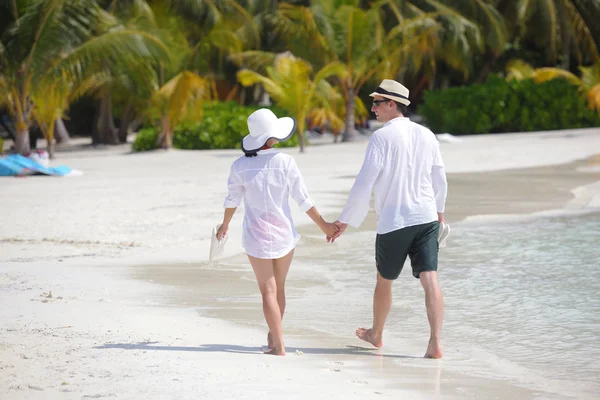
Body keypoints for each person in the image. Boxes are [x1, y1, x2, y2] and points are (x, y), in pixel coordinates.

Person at [329, 79, 448, 359]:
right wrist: (439, 211)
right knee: (430, 280)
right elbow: (439, 177)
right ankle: (435, 343)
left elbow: (364, 182)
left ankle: (377, 334)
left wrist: (344, 220)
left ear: (392, 104)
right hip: (426, 218)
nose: (373, 108)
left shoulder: (381, 137)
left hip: (395, 221)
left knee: (384, 280)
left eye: (377, 102)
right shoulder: (427, 134)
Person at [217, 108, 338, 356]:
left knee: (267, 291)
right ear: (273, 137)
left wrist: (225, 224)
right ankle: (274, 337)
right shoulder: (285, 162)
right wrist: (324, 225)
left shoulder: (240, 165)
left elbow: (232, 201)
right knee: (279, 288)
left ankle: (278, 345)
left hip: (256, 235)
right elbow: (303, 200)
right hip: (284, 235)